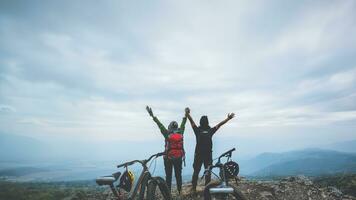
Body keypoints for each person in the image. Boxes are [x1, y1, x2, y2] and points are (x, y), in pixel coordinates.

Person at [185, 108, 235, 192]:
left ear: (200, 122)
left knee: (196, 171)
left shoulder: (197, 130)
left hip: (198, 154)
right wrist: (228, 118)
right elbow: (220, 124)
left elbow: (191, 121)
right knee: (208, 172)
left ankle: (194, 188)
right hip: (208, 155)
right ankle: (207, 189)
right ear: (207, 122)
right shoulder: (210, 130)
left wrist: (187, 113)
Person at [146, 106, 188, 194]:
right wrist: (186, 115)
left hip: (168, 158)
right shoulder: (181, 132)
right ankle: (180, 192)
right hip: (178, 158)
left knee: (168, 176)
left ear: (169, 127)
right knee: (178, 175)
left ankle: (168, 193)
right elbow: (183, 124)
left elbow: (159, 124)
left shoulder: (166, 133)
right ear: (177, 127)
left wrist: (152, 116)